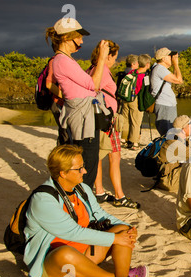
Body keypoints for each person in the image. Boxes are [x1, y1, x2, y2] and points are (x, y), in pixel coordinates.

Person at [23, 145, 148, 277]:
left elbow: (99, 214)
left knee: (122, 229)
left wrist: (128, 228)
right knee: (65, 253)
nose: (85, 171)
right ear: (63, 173)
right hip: (53, 263)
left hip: (85, 252)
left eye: (83, 167)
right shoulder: (43, 199)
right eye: (79, 168)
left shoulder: (81, 189)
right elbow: (73, 233)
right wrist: (115, 239)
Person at [45, 17, 110, 189]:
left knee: (88, 161)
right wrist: (102, 57)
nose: (81, 41)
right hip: (83, 119)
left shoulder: (64, 60)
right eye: (78, 37)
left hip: (83, 116)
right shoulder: (63, 61)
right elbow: (94, 84)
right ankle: (83, 206)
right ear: (66, 38)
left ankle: (83, 204)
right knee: (87, 165)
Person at [89, 40, 140, 209]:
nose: (115, 61)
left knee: (98, 156)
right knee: (114, 157)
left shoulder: (92, 69)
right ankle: (119, 195)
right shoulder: (102, 70)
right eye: (114, 57)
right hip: (106, 120)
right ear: (108, 55)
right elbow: (94, 90)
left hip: (97, 119)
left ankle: (99, 191)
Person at [157, 115, 191, 192]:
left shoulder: (178, 138)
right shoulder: (174, 144)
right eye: (190, 125)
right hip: (168, 182)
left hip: (171, 175)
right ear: (183, 129)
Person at [121, 54, 152, 150]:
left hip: (126, 99)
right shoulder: (144, 76)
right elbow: (145, 91)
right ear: (147, 64)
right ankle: (134, 143)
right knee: (136, 121)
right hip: (135, 99)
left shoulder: (132, 72)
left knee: (126, 120)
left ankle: (124, 139)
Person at [151, 47, 183, 136]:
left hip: (167, 105)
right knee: (168, 134)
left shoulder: (160, 69)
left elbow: (176, 79)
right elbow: (179, 80)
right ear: (163, 58)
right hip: (164, 105)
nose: (172, 58)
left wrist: (174, 64)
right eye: (170, 56)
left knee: (171, 133)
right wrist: (176, 64)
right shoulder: (160, 69)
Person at [119, 54, 138, 145]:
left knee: (125, 119)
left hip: (124, 98)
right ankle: (133, 141)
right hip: (133, 98)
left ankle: (123, 138)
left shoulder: (123, 73)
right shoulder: (135, 73)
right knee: (134, 120)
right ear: (133, 64)